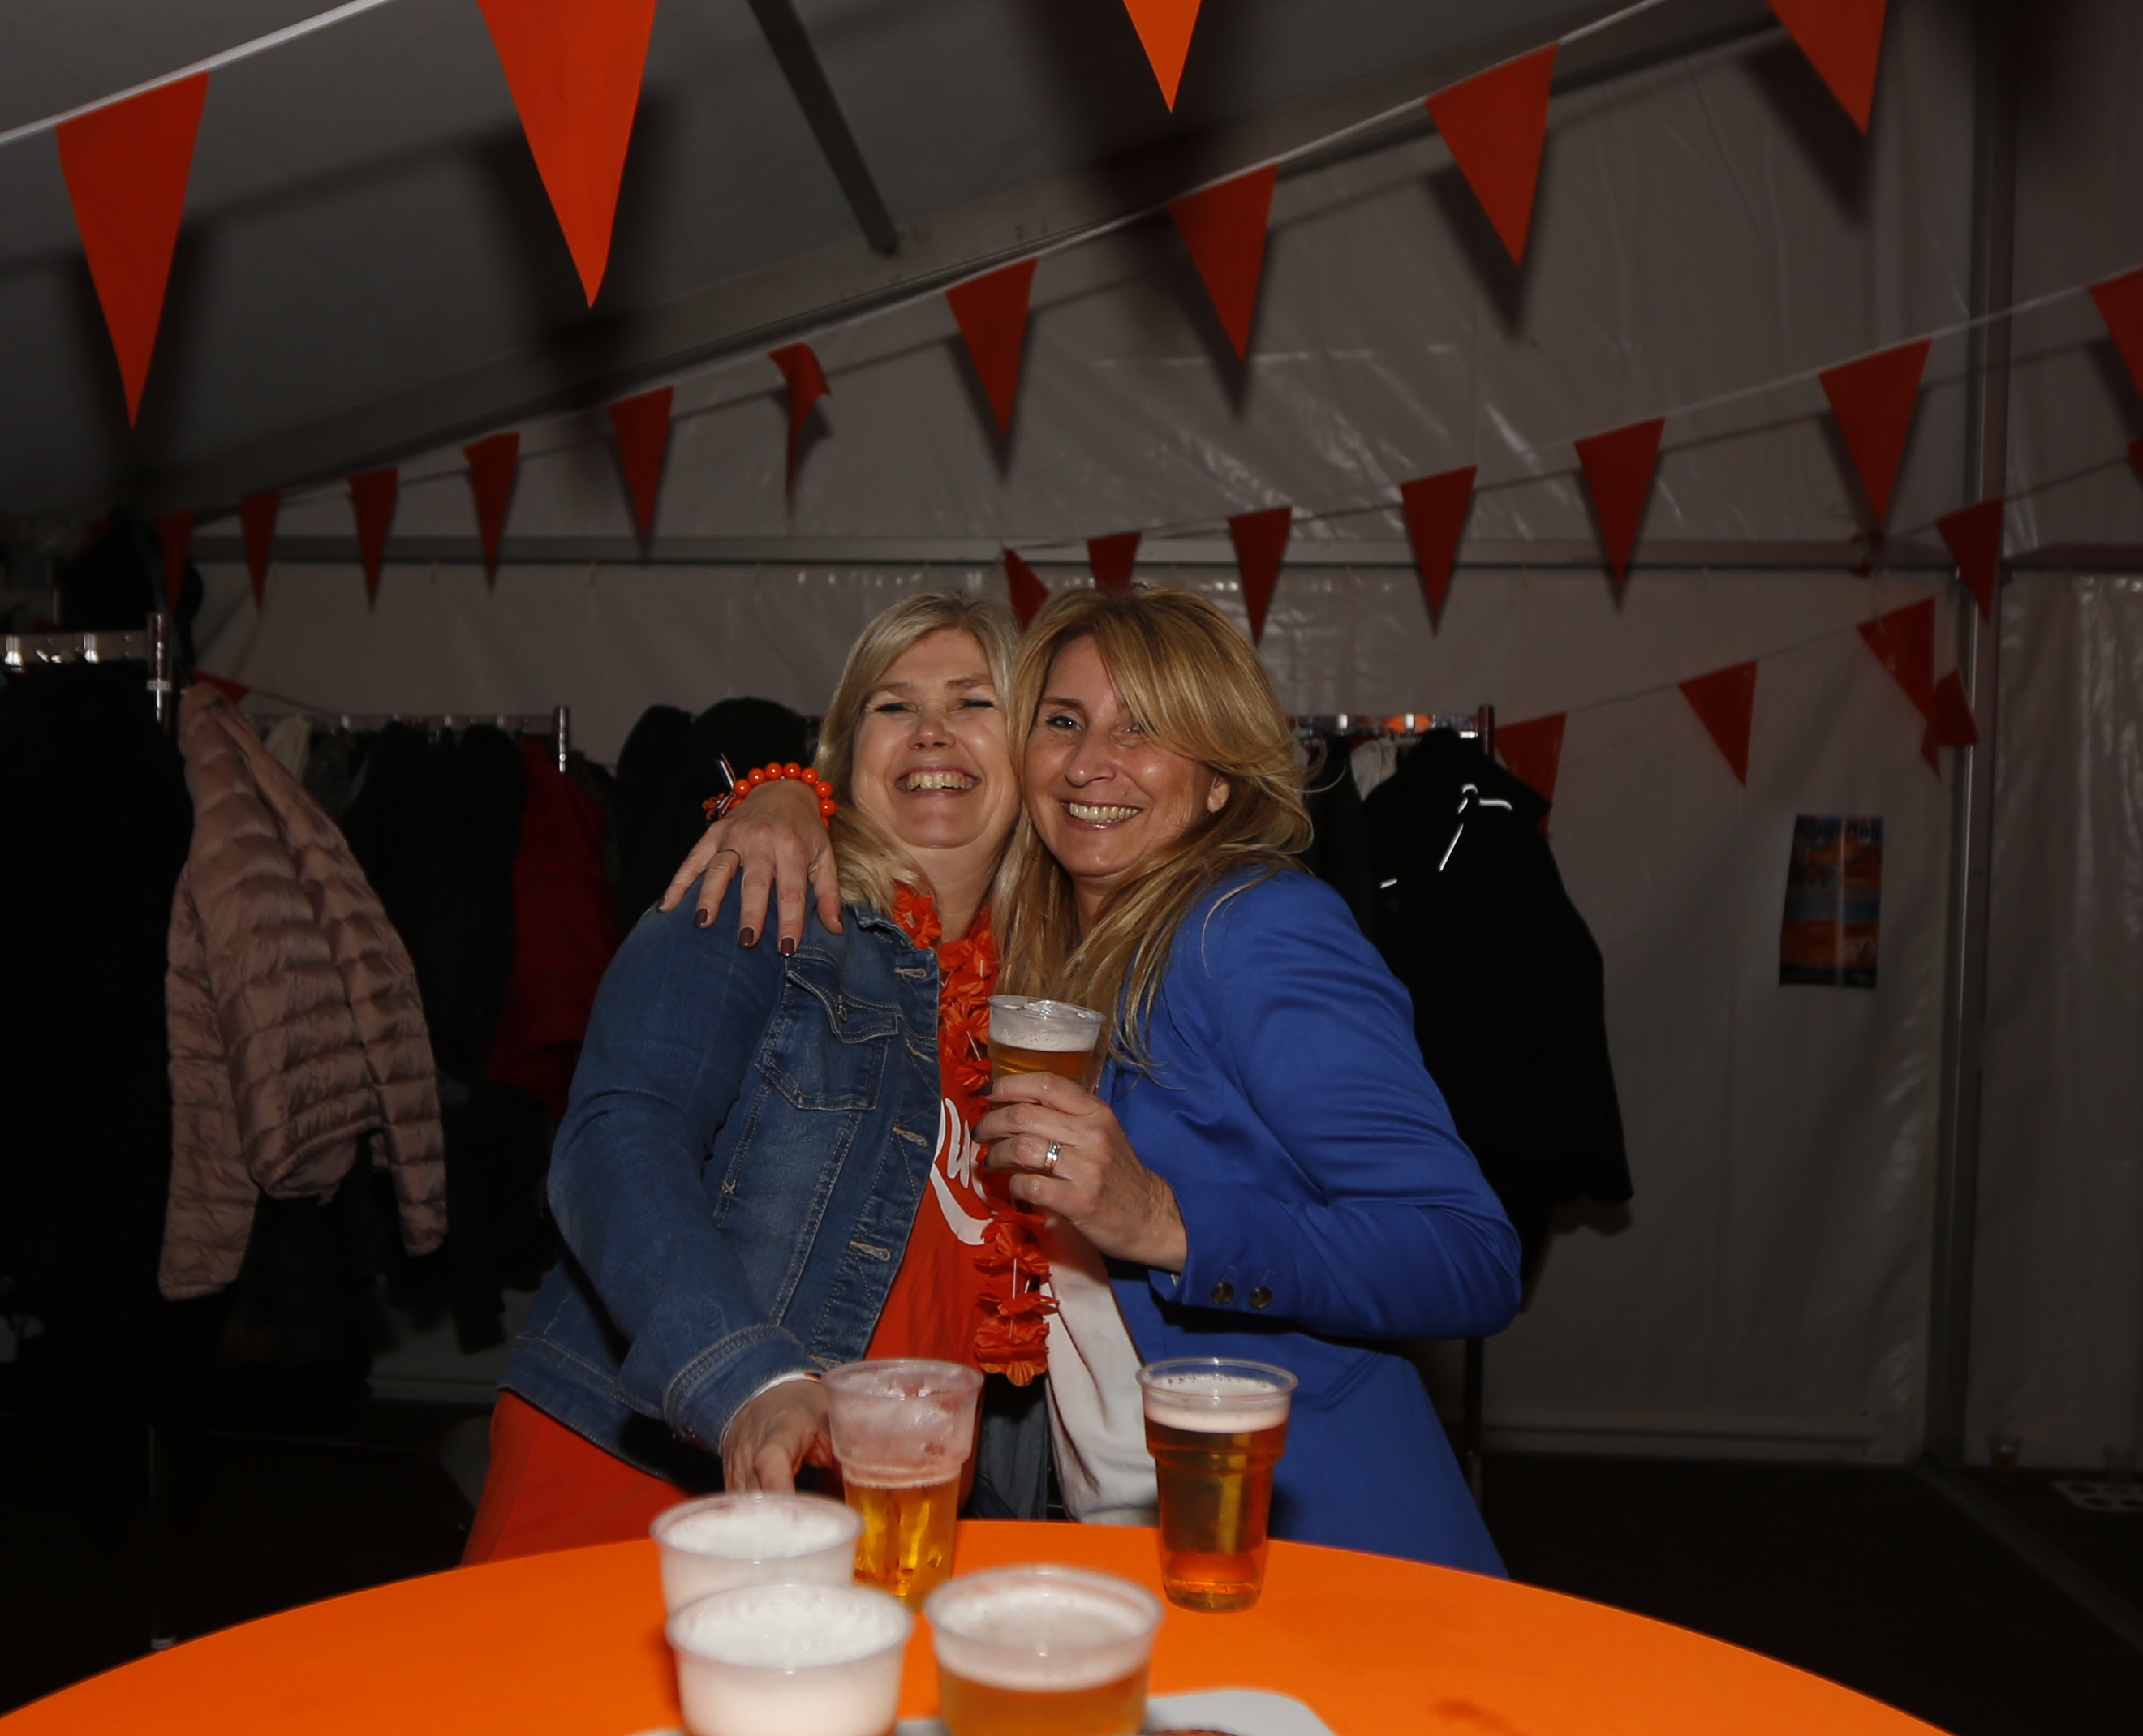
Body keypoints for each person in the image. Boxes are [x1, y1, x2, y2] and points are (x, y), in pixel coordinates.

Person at [473, 593, 1044, 1559]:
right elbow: (619, 1133)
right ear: (845, 755)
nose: (931, 731)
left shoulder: (1031, 1010)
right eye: (894, 705)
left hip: (875, 1511)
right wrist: (750, 1382)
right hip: (648, 1477)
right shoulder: (766, 896)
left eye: (973, 702)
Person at [966, 586, 1520, 1568]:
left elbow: (1468, 1254)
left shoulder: (1255, 929)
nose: (1089, 763)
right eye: (1064, 722)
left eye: (1143, 728)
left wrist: (1169, 1224)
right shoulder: (1037, 962)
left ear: (1221, 779)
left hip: (1314, 1550)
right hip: (1125, 1546)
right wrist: (776, 801)